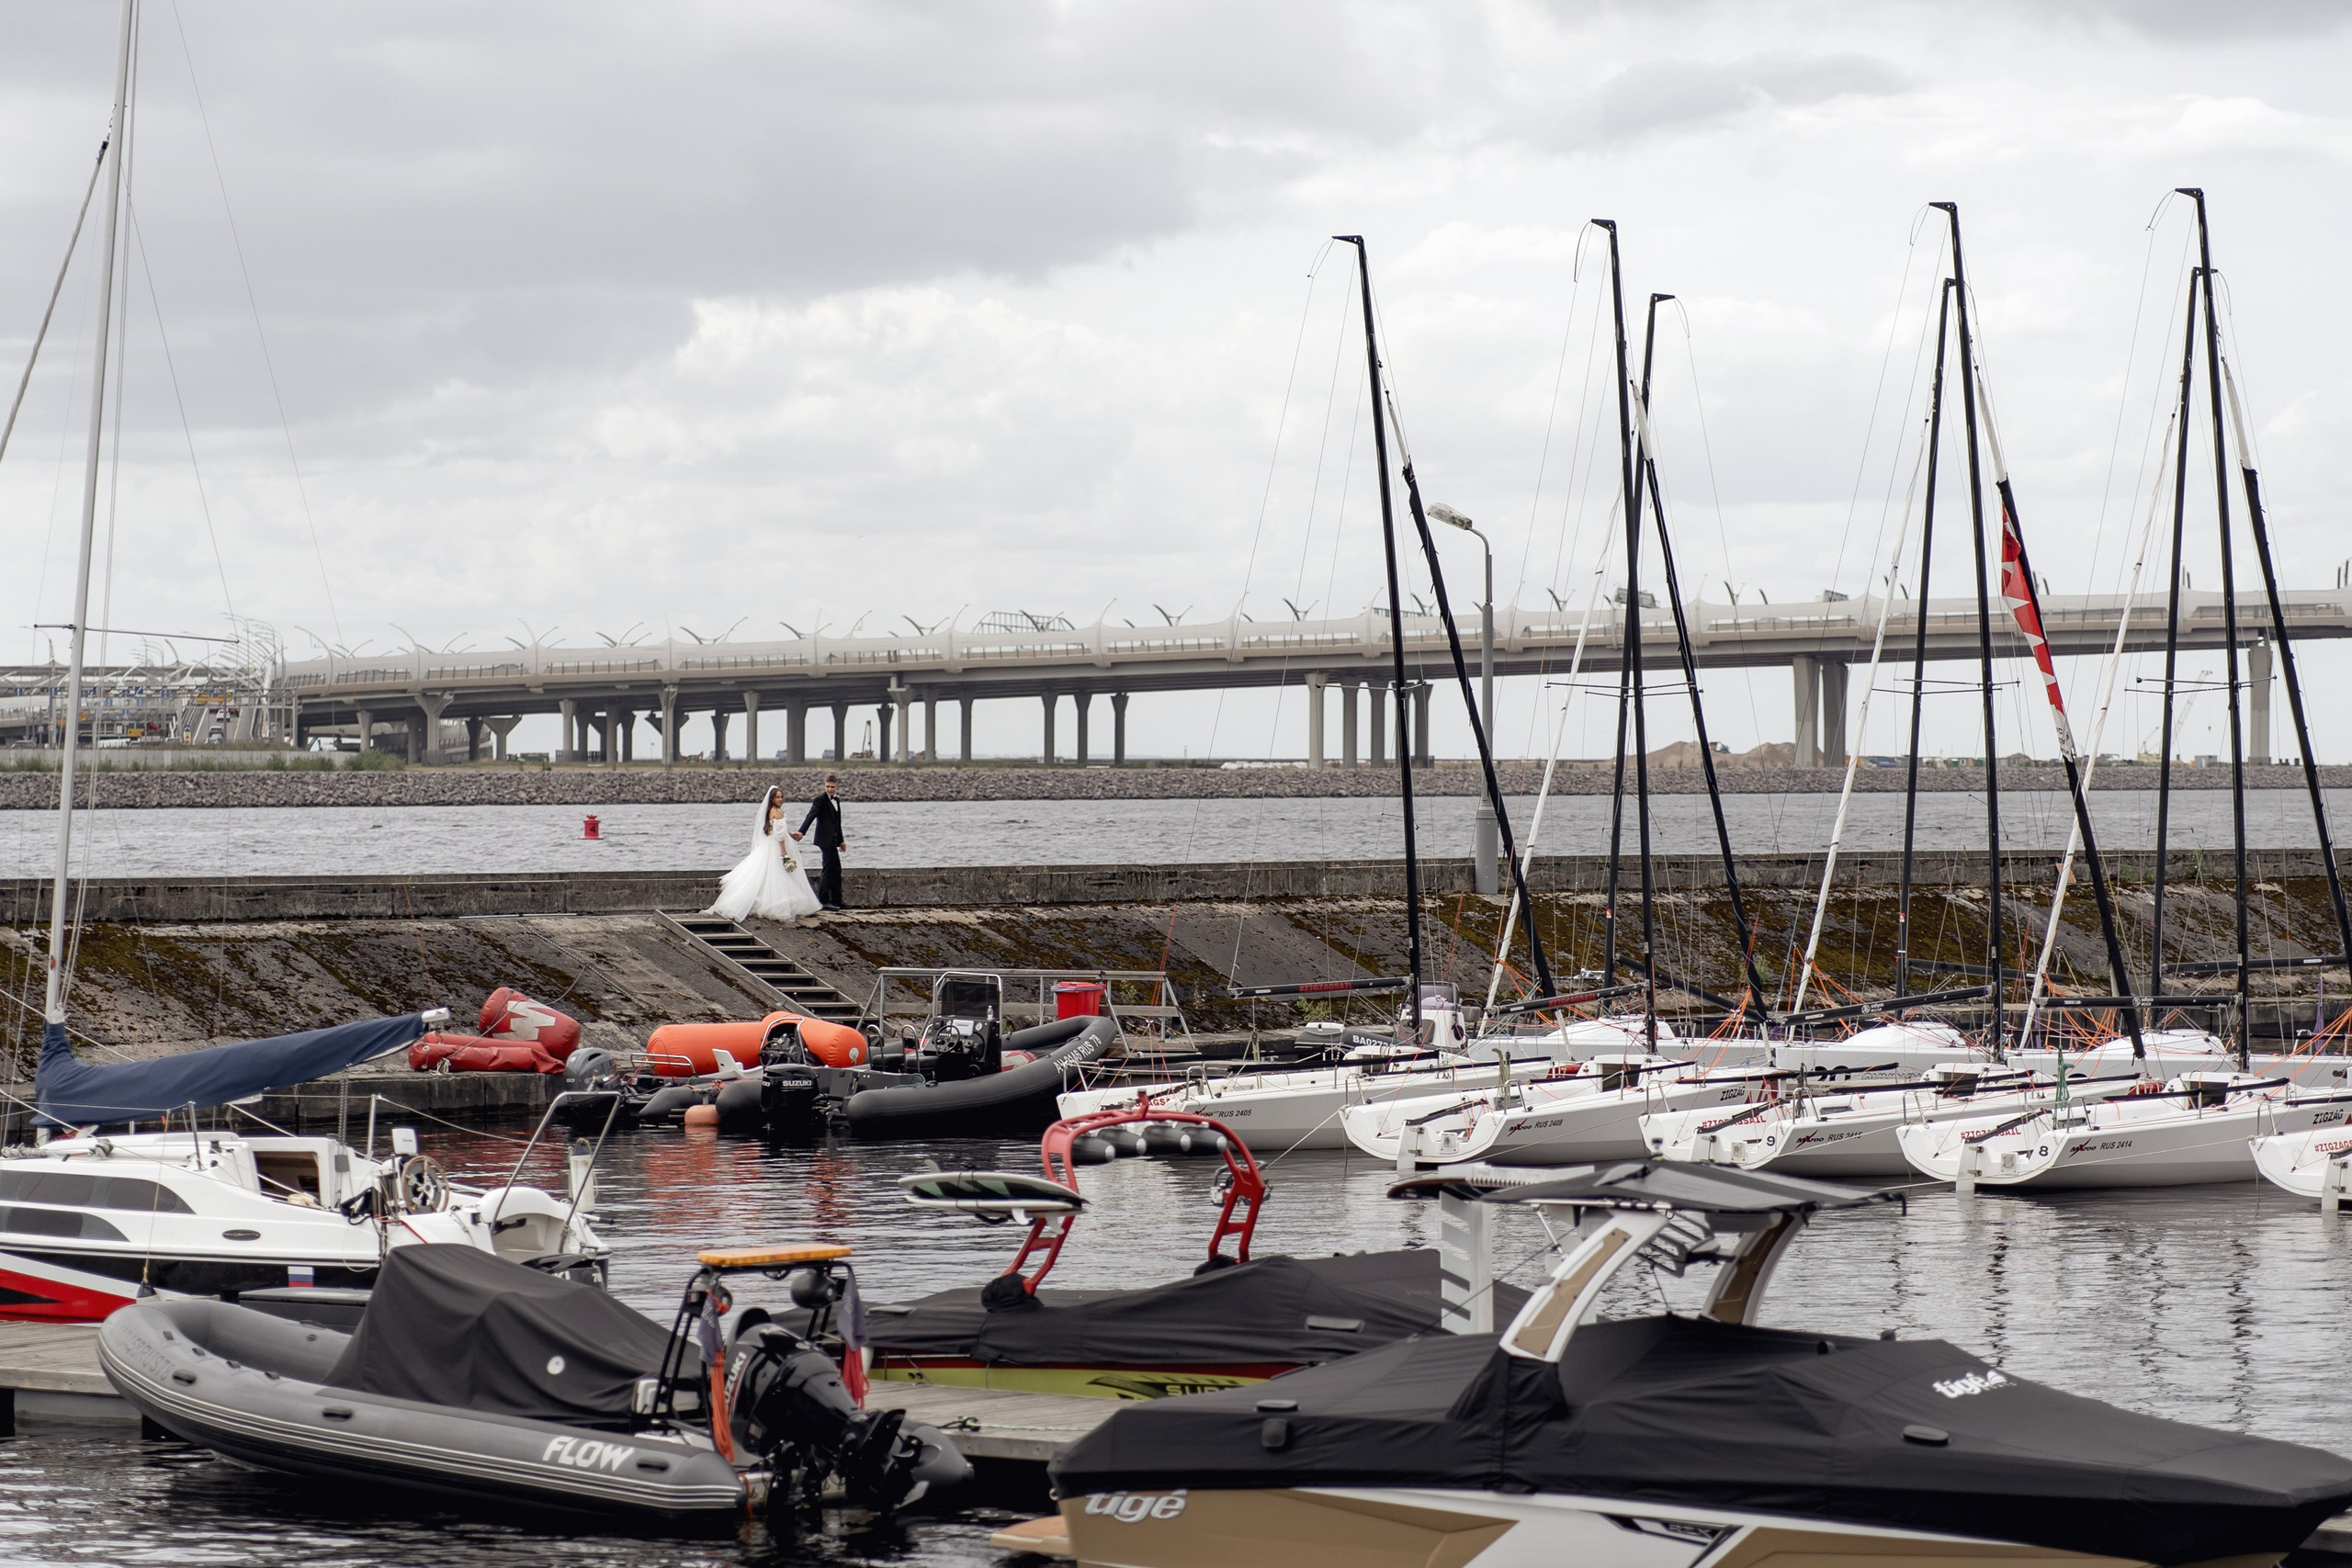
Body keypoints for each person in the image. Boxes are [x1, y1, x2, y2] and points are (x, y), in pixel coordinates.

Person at [707, 786, 822, 922]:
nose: (780, 799)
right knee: (778, 875)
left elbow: (776, 830)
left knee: (767, 875)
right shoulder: (776, 812)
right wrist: (784, 854)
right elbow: (779, 836)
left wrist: (790, 833)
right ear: (772, 799)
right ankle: (777, 905)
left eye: (781, 797)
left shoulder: (773, 811)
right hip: (777, 847)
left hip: (770, 844)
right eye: (777, 797)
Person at [793, 773, 847, 910]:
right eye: (828, 787)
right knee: (829, 868)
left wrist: (841, 840)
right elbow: (811, 815)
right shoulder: (820, 800)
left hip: (833, 839)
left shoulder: (837, 800)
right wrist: (801, 832)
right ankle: (824, 900)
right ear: (824, 786)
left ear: (837, 787)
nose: (830, 789)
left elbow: (837, 822)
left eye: (832, 787)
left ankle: (837, 900)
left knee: (836, 869)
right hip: (824, 839)